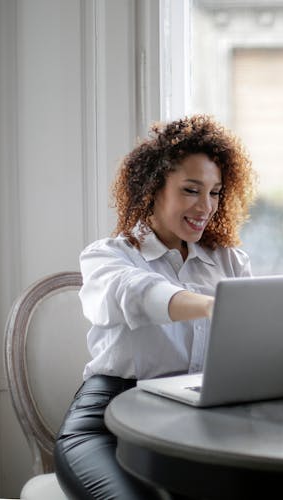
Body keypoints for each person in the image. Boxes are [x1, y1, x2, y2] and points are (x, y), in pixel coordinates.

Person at [53, 114, 256, 499]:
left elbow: (251, 346)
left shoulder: (229, 262)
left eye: (215, 193)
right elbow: (139, 293)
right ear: (153, 188)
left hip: (196, 419)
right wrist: (215, 306)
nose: (205, 206)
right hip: (106, 421)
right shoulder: (108, 256)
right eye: (191, 190)